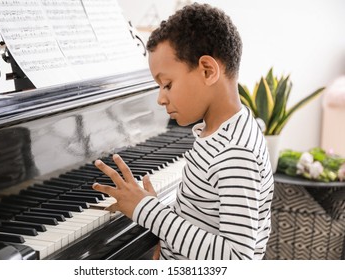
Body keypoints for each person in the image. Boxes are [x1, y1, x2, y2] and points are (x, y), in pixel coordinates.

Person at [93, 3, 274, 260]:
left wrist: (149, 211)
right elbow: (201, 216)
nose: (160, 99)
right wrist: (162, 228)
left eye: (167, 84)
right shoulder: (216, 131)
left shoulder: (236, 153)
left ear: (208, 70)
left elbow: (237, 257)